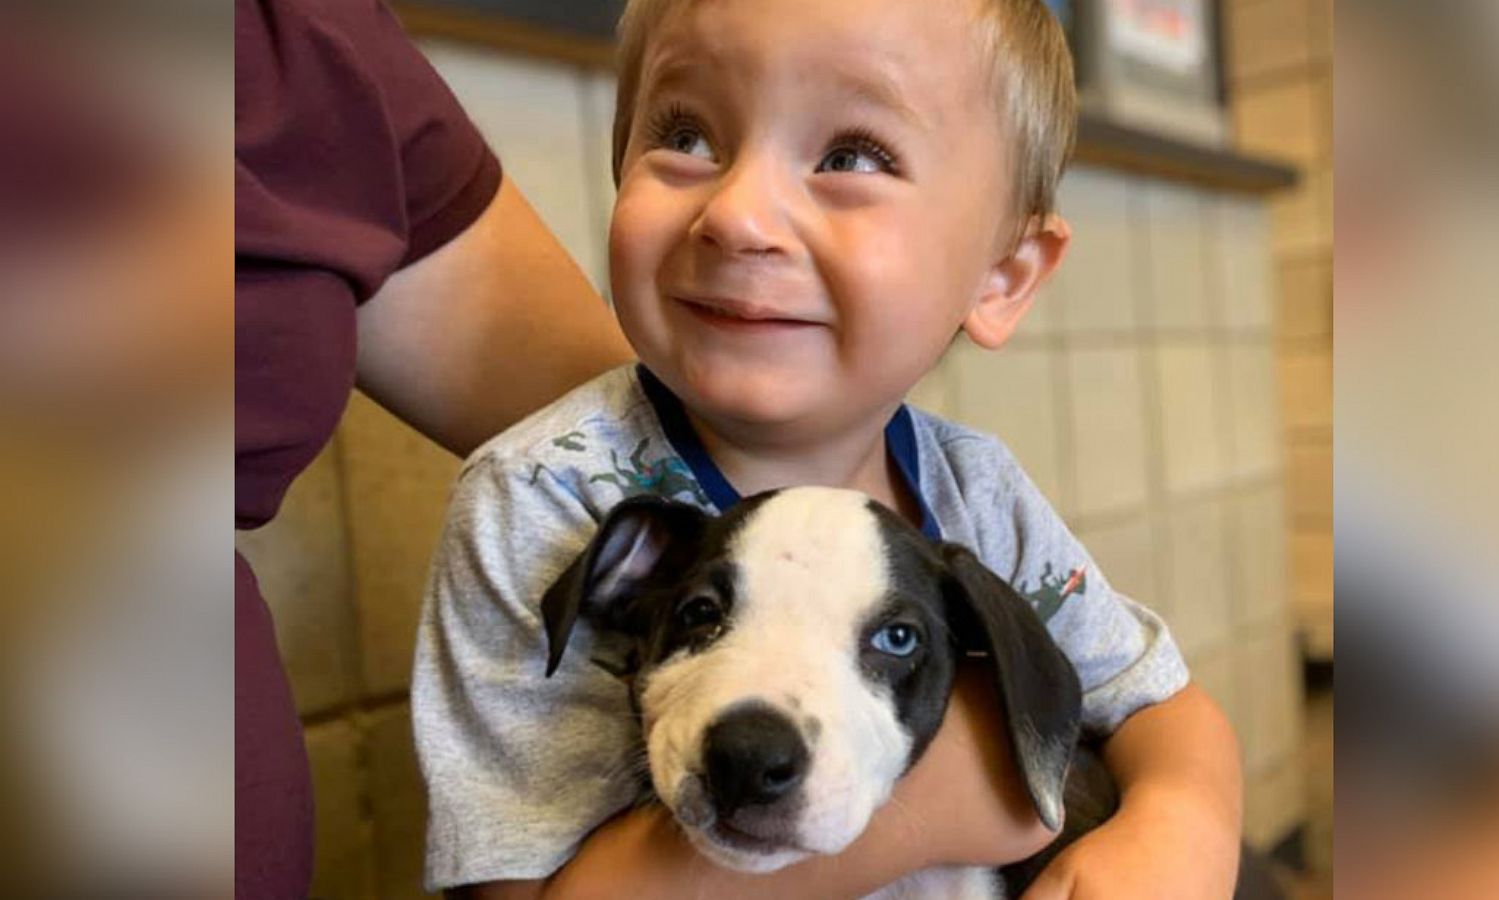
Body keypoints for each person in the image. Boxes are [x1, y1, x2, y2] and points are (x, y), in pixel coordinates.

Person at [413, 0, 1243, 897]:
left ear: (1001, 276)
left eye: (851, 157)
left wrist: (1181, 820)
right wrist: (947, 800)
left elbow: (1157, 705)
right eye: (687, 135)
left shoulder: (979, 495)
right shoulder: (539, 499)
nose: (735, 216)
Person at [234, 0, 633, 896]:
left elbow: (635, 439)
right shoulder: (502, 526)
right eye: (683, 142)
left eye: (849, 161)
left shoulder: (293, 35)